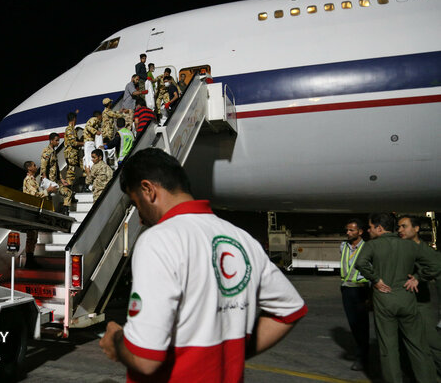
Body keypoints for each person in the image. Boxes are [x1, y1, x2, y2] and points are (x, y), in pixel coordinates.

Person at [100, 148, 307, 382]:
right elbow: (289, 310)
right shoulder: (241, 238)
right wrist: (232, 353)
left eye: (136, 204)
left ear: (148, 190)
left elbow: (145, 359)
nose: (139, 217)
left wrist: (116, 340)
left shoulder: (159, 239)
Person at [355, 213, 441, 383]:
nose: (369, 231)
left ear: (380, 228)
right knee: (418, 345)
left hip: (384, 300)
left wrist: (376, 280)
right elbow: (436, 264)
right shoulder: (409, 245)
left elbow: (360, 263)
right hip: (407, 299)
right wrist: (418, 277)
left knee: (389, 348)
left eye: (371, 227)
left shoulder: (373, 245)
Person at [397, 215, 441, 377]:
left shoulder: (423, 249)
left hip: (420, 303)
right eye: (399, 227)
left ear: (416, 229)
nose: (400, 230)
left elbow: (437, 266)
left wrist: (418, 277)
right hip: (405, 302)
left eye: (404, 226)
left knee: (433, 342)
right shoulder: (404, 248)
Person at [339, 218, 370, 371]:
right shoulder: (343, 246)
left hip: (360, 289)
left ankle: (362, 356)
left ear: (360, 232)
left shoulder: (367, 247)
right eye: (347, 230)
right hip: (346, 288)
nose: (348, 233)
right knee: (353, 323)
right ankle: (362, 352)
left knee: (362, 324)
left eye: (351, 230)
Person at [23, 160, 55, 267]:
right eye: (34, 165)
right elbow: (35, 195)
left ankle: (30, 260)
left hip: (34, 211)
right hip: (30, 211)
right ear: (29, 168)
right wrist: (48, 191)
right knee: (31, 236)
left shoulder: (33, 180)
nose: (36, 167)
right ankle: (29, 261)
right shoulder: (28, 180)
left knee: (34, 236)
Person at [40, 133, 73, 214]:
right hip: (49, 182)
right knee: (47, 202)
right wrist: (44, 179)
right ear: (51, 141)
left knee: (68, 192)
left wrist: (61, 179)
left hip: (55, 181)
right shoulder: (47, 151)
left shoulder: (53, 151)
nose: (58, 142)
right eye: (56, 140)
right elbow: (43, 165)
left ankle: (66, 212)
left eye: (58, 140)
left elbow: (56, 167)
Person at [64, 111, 83, 187]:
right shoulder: (69, 129)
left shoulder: (73, 129)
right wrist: (83, 143)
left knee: (81, 167)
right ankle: (68, 190)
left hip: (74, 154)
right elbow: (73, 143)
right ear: (74, 119)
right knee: (70, 173)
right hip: (71, 154)